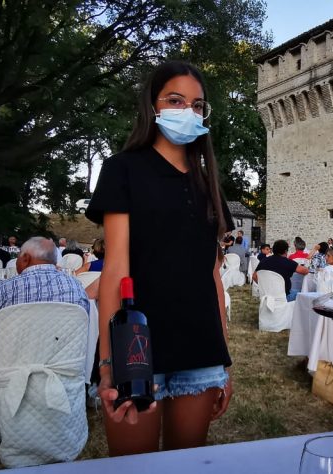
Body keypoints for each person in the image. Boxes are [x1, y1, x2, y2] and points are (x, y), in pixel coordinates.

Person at [84, 60, 234, 456]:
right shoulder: (123, 169)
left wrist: (225, 362)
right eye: (175, 100)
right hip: (137, 350)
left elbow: (213, 277)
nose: (188, 111)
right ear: (153, 106)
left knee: (187, 462)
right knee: (133, 465)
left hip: (201, 350)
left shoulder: (208, 183)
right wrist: (107, 363)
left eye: (198, 105)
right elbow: (116, 268)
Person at [0, 237, 89, 453]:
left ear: (24, 258)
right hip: (60, 371)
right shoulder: (77, 289)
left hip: (11, 372)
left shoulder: (0, 291)